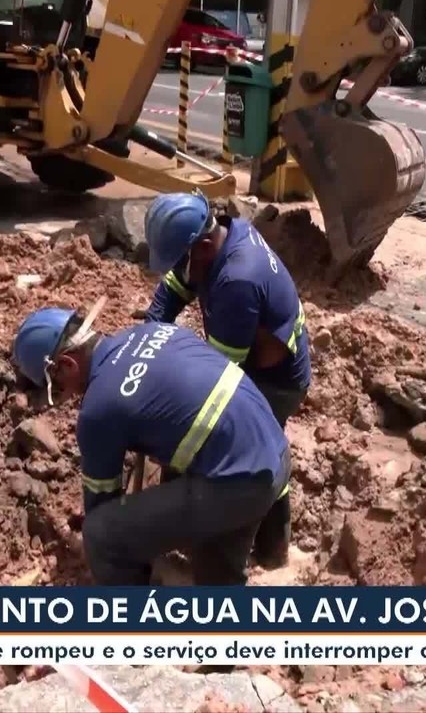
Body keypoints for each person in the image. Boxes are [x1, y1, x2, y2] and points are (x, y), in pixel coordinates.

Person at [12, 299, 291, 586]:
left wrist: (105, 551)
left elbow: (101, 506)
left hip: (241, 485)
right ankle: (252, 567)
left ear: (67, 365)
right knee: (217, 575)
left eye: (56, 388)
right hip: (276, 452)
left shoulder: (98, 410)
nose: (64, 396)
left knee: (101, 536)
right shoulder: (151, 331)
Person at [141, 192, 311, 569]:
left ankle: (256, 545)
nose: (179, 270)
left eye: (182, 261)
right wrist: (150, 334)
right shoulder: (221, 238)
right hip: (253, 358)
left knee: (233, 449)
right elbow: (174, 287)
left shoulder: (237, 280)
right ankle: (263, 545)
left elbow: (215, 383)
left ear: (201, 247)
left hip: (276, 381)